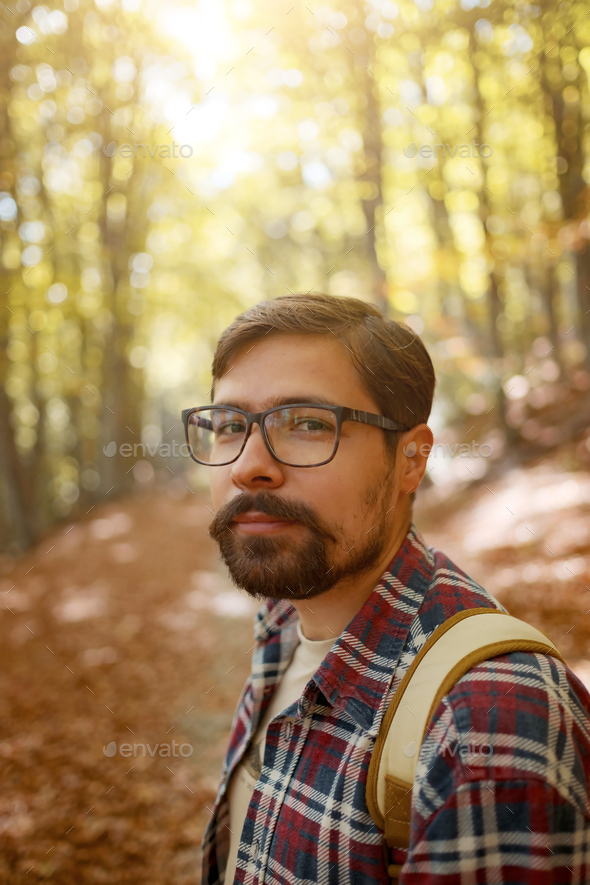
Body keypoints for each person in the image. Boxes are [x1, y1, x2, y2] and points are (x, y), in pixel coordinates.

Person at [189, 293, 590, 884]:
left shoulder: (488, 725)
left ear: (410, 459)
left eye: (306, 423)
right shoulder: (285, 620)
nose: (248, 465)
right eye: (228, 425)